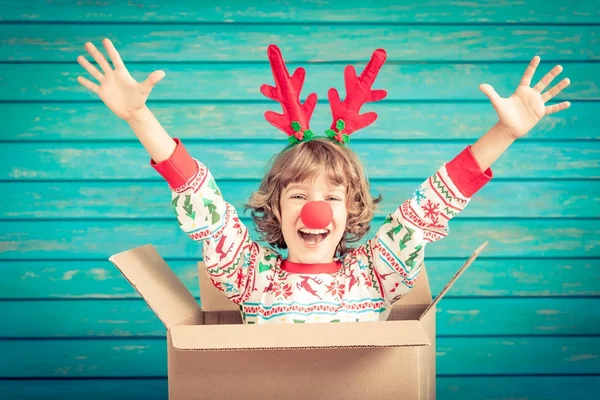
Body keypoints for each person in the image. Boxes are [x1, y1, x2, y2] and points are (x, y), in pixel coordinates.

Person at [77, 38, 571, 324]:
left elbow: (431, 206)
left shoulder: (376, 273)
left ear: (351, 210)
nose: (316, 210)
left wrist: (504, 131)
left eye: (332, 197)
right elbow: (202, 203)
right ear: (274, 209)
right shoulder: (250, 275)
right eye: (298, 195)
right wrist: (140, 117)